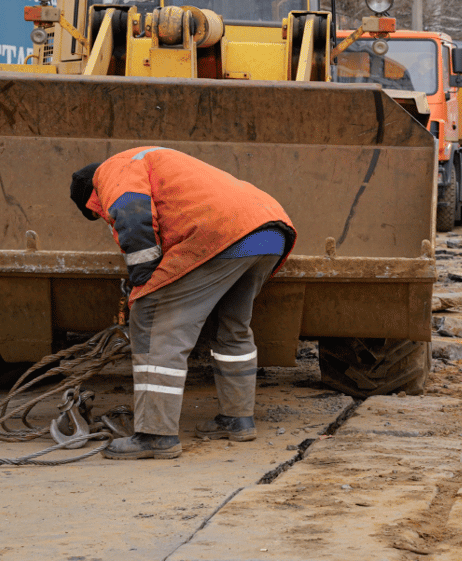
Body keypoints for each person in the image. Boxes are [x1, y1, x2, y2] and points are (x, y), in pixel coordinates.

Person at [70, 146, 296, 460]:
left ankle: (155, 435)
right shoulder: (153, 159)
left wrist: (142, 277)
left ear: (91, 195)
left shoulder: (113, 169)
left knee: (153, 319)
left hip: (224, 231)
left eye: (97, 212)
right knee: (231, 325)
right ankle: (237, 420)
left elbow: (131, 212)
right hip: (269, 229)